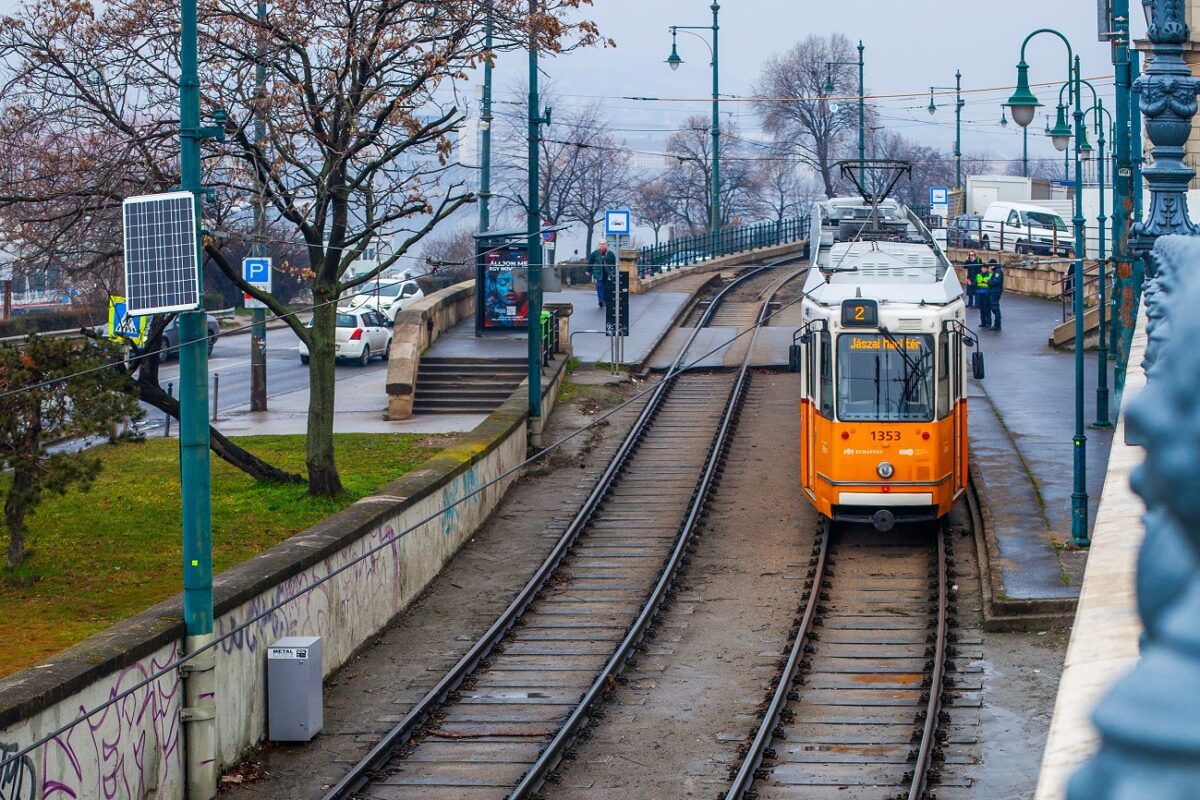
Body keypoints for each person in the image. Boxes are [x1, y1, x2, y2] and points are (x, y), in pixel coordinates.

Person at [588, 239, 616, 308]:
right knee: (600, 286)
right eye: (601, 244)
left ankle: (605, 300)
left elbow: (614, 263)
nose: (602, 246)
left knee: (606, 287)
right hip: (598, 272)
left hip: (607, 272)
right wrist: (588, 270)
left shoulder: (610, 253)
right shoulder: (595, 253)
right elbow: (590, 262)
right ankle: (601, 300)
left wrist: (613, 271)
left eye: (603, 244)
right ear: (599, 245)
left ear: (606, 245)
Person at [987, 258, 1004, 331]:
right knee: (994, 308)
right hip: (993, 292)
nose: (989, 267)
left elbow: (996, 281)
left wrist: (989, 282)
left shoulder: (998, 271)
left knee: (995, 308)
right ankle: (997, 324)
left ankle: (997, 325)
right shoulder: (995, 271)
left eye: (990, 266)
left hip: (995, 292)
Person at [976, 261, 993, 329]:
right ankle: (983, 322)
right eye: (982, 268)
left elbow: (990, 284)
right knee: (981, 309)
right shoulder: (978, 275)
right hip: (980, 293)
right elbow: (976, 283)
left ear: (987, 269)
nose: (983, 269)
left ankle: (988, 323)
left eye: (984, 268)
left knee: (987, 309)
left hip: (986, 294)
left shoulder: (990, 275)